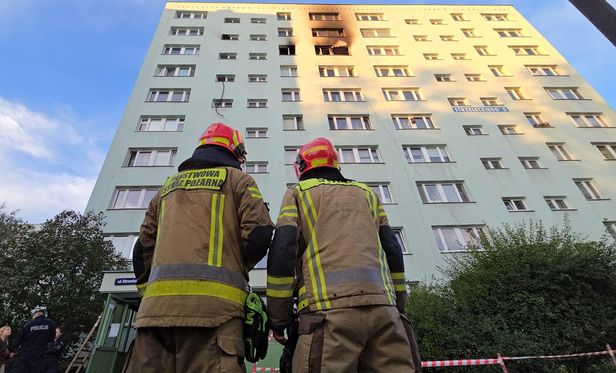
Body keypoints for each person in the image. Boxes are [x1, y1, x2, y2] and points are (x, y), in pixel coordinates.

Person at [127, 122, 274, 372]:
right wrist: (239, 264)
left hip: (155, 315)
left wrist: (148, 294)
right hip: (216, 313)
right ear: (236, 152)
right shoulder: (239, 180)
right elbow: (260, 234)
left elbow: (142, 248)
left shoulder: (166, 189)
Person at [267, 137, 415, 372]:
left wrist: (278, 318)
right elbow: (393, 250)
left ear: (301, 167)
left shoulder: (298, 194)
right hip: (384, 313)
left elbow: (283, 249)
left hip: (327, 315)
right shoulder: (367, 194)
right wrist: (398, 306)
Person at [9, 306, 55, 373]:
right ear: (44, 314)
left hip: (28, 357)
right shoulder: (51, 323)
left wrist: (17, 351)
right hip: (44, 356)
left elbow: (16, 341)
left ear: (34, 314)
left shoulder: (27, 325)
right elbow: (52, 339)